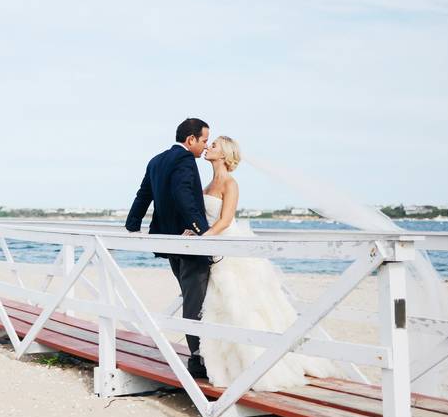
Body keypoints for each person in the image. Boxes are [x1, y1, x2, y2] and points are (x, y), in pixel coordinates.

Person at [197, 136, 340, 391]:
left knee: (244, 304)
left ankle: (259, 364)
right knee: (220, 307)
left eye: (214, 145)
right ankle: (229, 366)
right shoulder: (208, 183)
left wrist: (204, 240)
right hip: (213, 246)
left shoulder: (231, 183)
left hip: (228, 247)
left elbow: (226, 220)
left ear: (225, 153)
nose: (208, 147)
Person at [125, 118, 212, 379]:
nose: (205, 146)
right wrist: (201, 230)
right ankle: (198, 359)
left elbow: (143, 195)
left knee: (191, 296)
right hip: (187, 242)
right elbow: (183, 195)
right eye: (204, 140)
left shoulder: (157, 160)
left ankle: (204, 353)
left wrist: (132, 224)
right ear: (191, 140)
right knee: (194, 300)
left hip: (168, 241)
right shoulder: (184, 161)